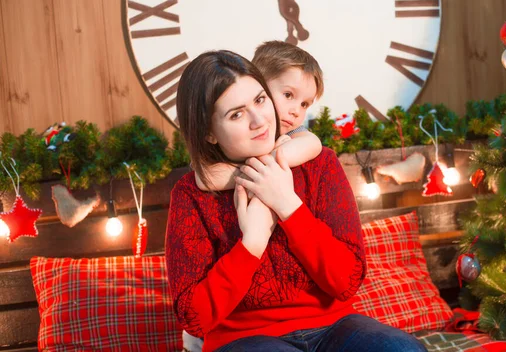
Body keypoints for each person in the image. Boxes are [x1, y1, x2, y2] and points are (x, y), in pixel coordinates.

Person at [166, 50, 427, 352]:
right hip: (244, 339)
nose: (259, 120)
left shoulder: (320, 164)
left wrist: (289, 206)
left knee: (401, 349)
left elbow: (348, 280)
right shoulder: (191, 195)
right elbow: (193, 318)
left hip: (334, 327)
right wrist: (252, 242)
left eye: (260, 100)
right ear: (209, 132)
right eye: (236, 114)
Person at [194, 40, 323, 191]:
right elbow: (206, 179)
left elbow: (313, 144)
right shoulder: (229, 139)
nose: (296, 111)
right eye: (288, 95)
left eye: (304, 104)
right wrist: (260, 171)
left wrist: (266, 165)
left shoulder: (294, 134)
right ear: (258, 84)